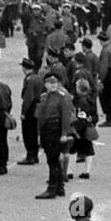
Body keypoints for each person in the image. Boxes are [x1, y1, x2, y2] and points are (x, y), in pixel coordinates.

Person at [34, 71, 73, 200]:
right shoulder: (45, 96)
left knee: (53, 160)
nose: (53, 85)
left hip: (54, 129)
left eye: (55, 83)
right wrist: (39, 134)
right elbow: (39, 116)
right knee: (52, 159)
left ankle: (52, 188)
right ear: (45, 84)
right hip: (46, 130)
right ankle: (60, 186)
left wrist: (64, 133)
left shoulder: (61, 97)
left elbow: (66, 116)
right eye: (50, 83)